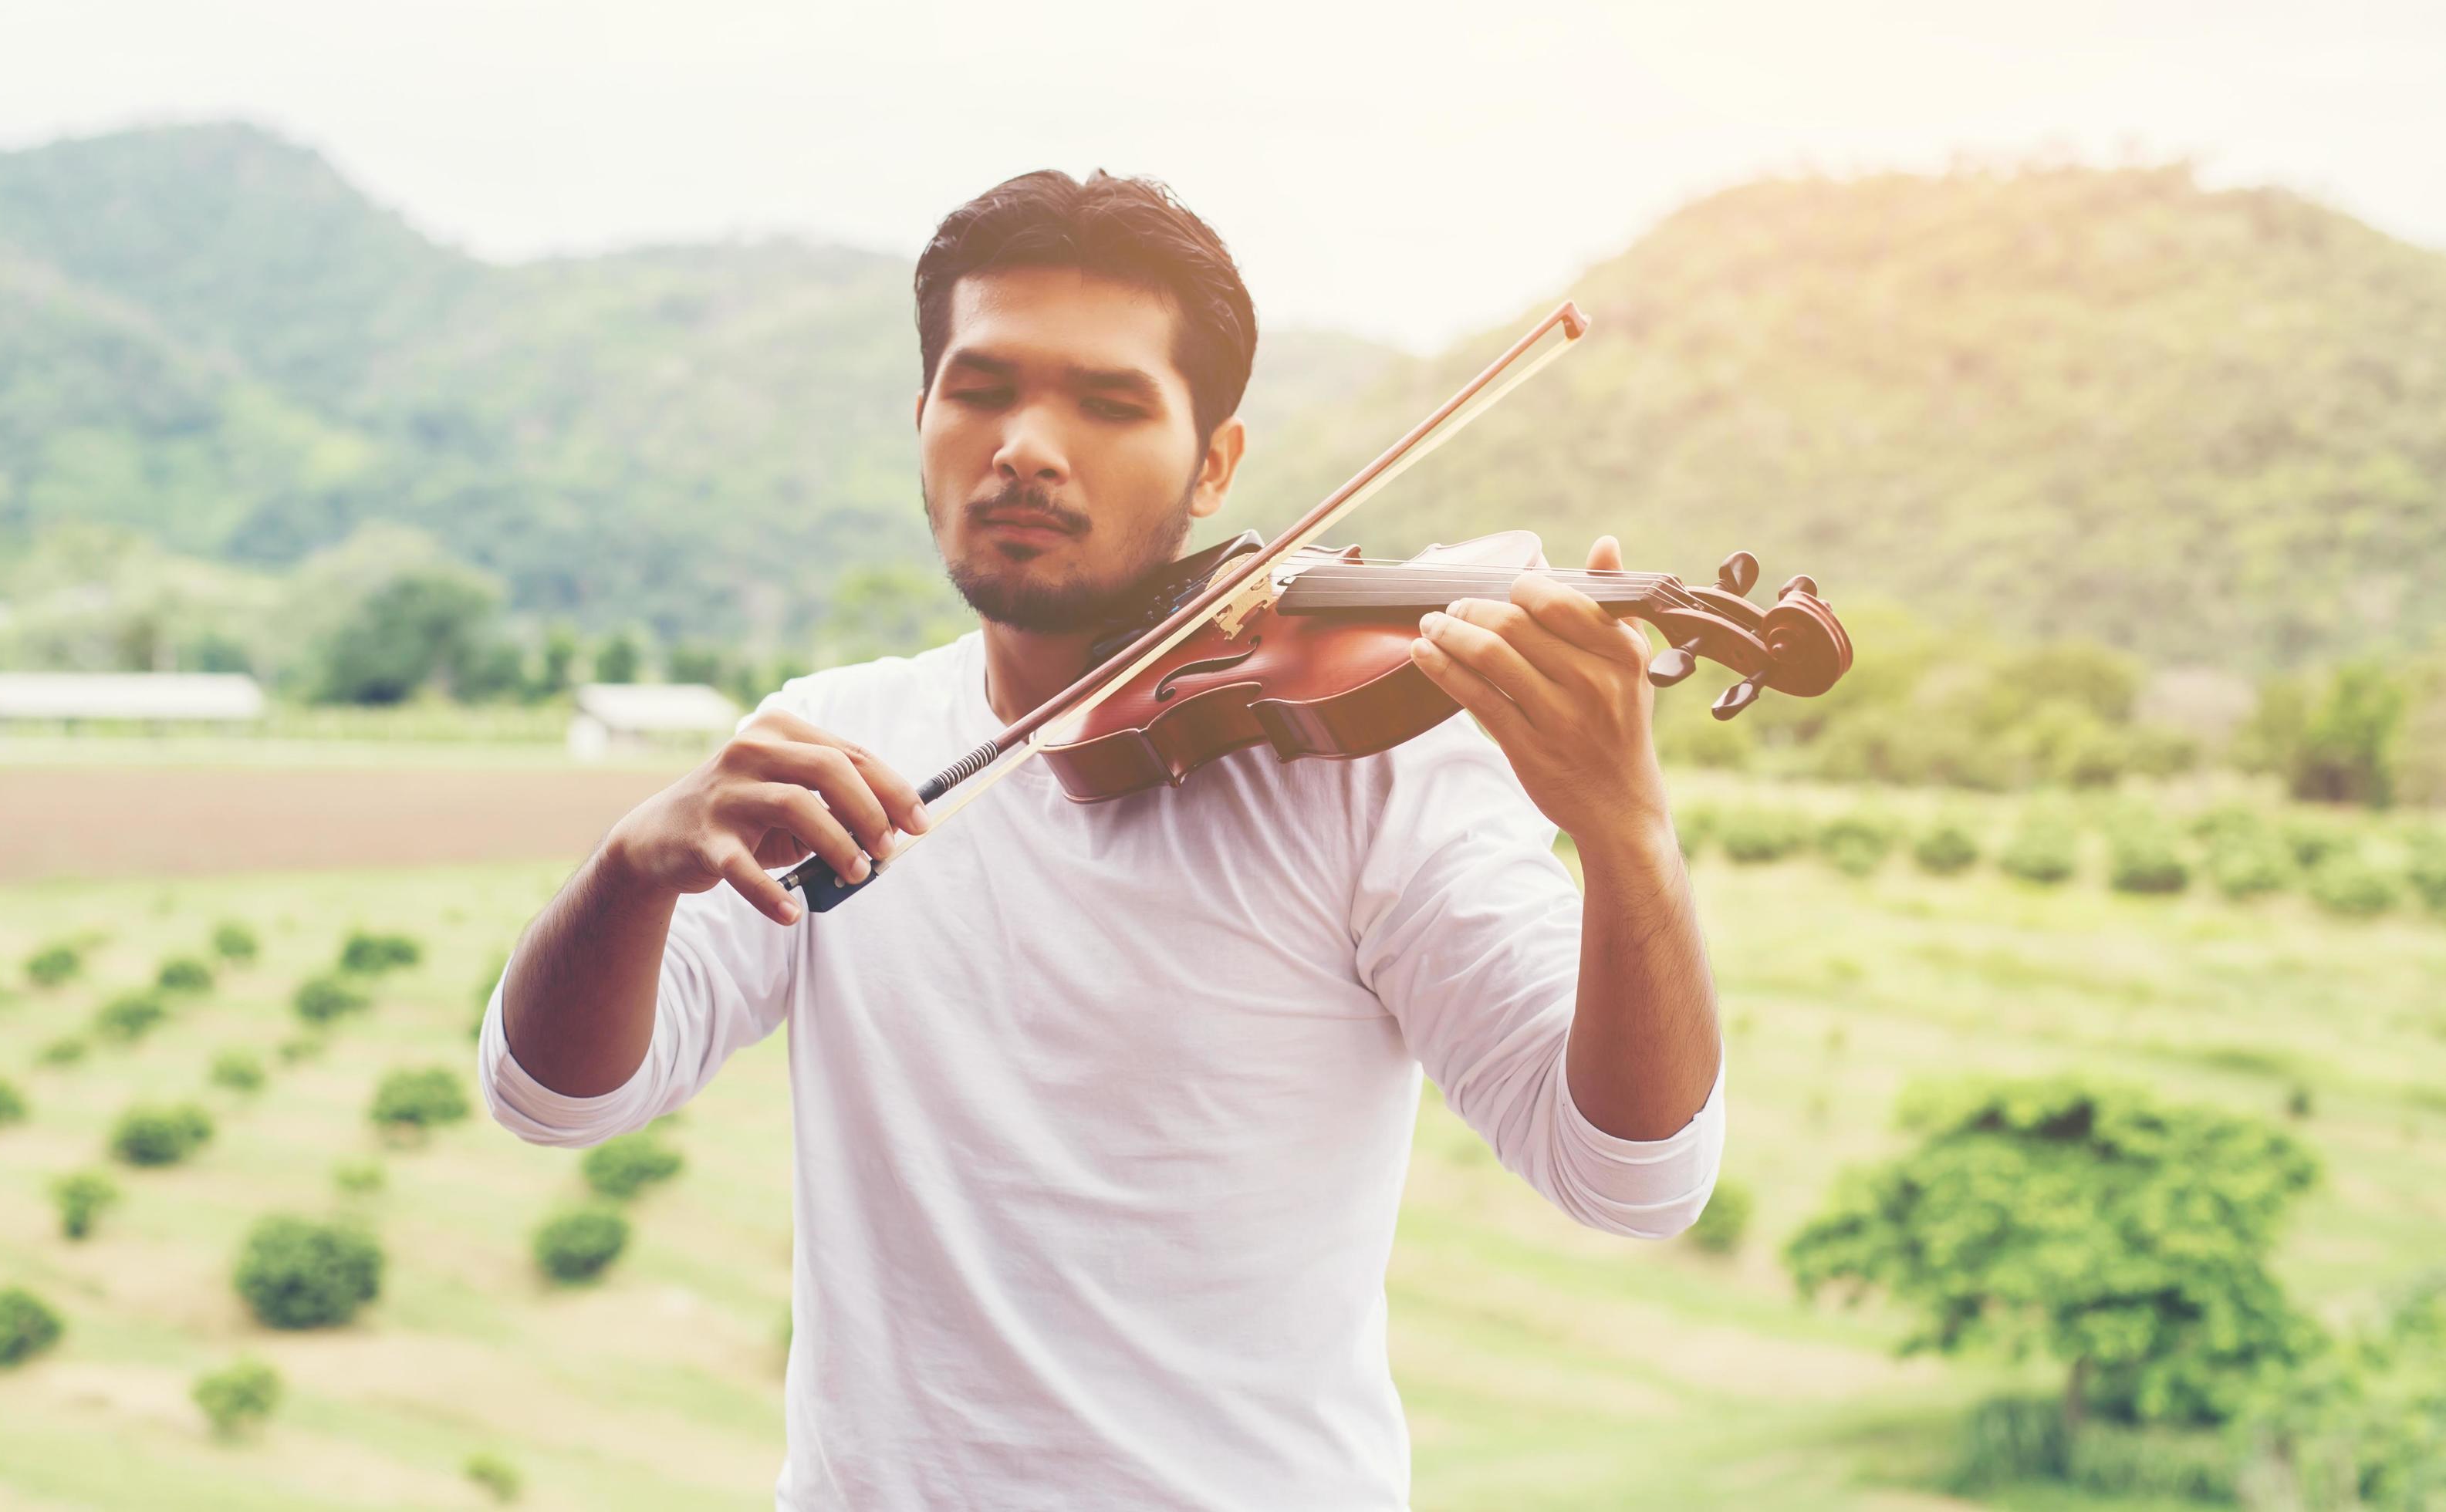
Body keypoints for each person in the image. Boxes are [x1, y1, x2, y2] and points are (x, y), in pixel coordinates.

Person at [479, 170, 1724, 1510]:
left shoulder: (1375, 769)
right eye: (980, 389)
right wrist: (630, 870)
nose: (1025, 445)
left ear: (1216, 465)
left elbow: (1632, 1178)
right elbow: (551, 1099)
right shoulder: (829, 743)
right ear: (920, 422)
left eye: (1110, 402)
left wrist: (1623, 833)